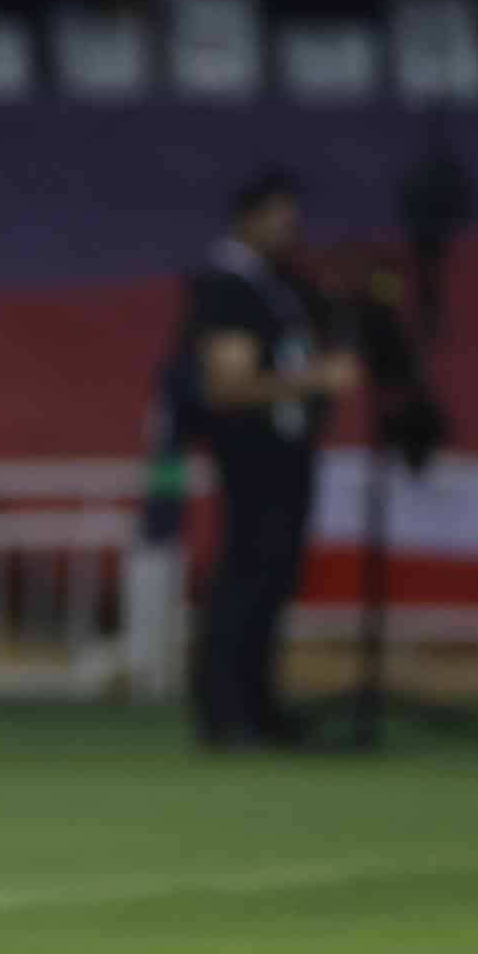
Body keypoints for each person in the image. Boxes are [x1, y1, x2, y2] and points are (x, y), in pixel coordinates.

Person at [181, 168, 357, 749]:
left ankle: (257, 706)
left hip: (283, 453)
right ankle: (228, 711)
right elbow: (227, 384)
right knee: (247, 576)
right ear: (249, 217)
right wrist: (316, 380)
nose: (293, 231)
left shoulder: (274, 283)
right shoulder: (230, 284)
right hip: (253, 453)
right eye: (282, 218)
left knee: (271, 578)